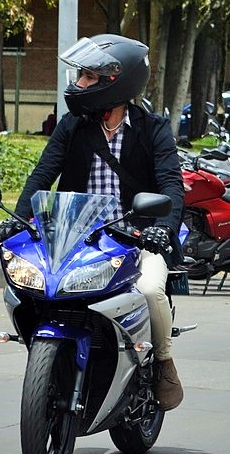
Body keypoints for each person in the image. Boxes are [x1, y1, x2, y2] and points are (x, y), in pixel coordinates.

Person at [18, 34, 188, 410]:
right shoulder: (72, 126)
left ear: (118, 81)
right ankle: (48, 357)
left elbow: (172, 187)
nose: (79, 85)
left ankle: (162, 361)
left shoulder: (153, 129)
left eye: (88, 78)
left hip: (138, 237)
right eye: (80, 76)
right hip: (77, 237)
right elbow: (41, 176)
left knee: (149, 291)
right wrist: (20, 218)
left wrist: (163, 229)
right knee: (34, 285)